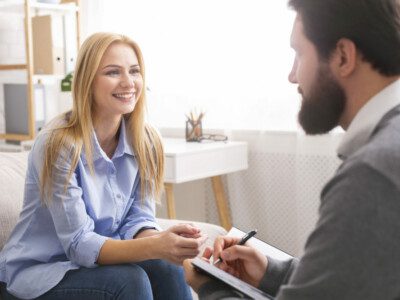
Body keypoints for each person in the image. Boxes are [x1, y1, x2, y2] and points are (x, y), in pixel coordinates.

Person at [184, 0, 400, 299]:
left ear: (342, 56)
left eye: (299, 53)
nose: (293, 75)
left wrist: (211, 288)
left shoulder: (373, 174)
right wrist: (274, 273)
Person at [0, 32, 207, 300]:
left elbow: (138, 220)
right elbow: (79, 244)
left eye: (134, 71)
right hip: (38, 275)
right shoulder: (58, 144)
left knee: (167, 267)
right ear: (88, 81)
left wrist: (167, 243)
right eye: (113, 72)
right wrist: (156, 246)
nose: (128, 82)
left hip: (95, 267)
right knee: (129, 281)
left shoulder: (146, 141)